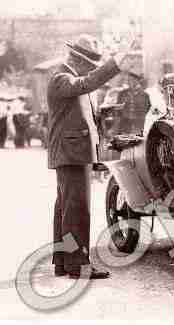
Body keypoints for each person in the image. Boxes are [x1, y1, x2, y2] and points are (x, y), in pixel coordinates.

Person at [47, 34, 133, 279]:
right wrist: (115, 63)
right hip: (70, 153)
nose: (91, 70)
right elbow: (86, 84)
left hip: (71, 152)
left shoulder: (65, 77)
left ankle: (64, 261)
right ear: (79, 60)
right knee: (77, 210)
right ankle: (78, 264)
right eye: (89, 66)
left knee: (66, 208)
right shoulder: (62, 77)